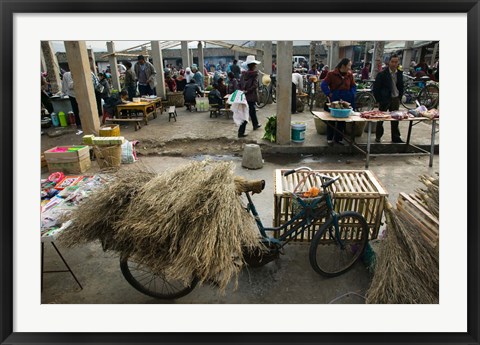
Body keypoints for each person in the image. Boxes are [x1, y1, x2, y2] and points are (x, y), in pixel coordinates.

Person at [321, 58, 356, 145]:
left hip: (346, 100)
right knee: (331, 119)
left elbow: (353, 86)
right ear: (343, 66)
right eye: (349, 66)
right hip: (334, 99)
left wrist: (352, 94)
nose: (350, 68)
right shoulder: (331, 74)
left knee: (342, 120)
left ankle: (339, 139)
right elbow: (323, 84)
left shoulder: (350, 75)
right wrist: (329, 94)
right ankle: (330, 138)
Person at [372, 53, 404, 143]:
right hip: (385, 99)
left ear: (398, 63)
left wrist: (399, 97)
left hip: (395, 98)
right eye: (392, 62)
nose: (394, 64)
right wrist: (379, 100)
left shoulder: (399, 73)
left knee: (395, 119)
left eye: (396, 62)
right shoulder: (382, 74)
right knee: (381, 119)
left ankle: (396, 137)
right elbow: (376, 88)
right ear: (389, 62)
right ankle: (378, 136)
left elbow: (401, 86)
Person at [238, 55, 262, 138]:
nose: (256, 66)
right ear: (253, 65)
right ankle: (240, 132)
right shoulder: (255, 74)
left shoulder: (243, 74)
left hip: (244, 96)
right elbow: (255, 85)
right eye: (255, 64)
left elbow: (239, 84)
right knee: (247, 114)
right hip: (251, 96)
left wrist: (244, 91)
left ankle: (255, 124)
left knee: (252, 111)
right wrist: (248, 91)